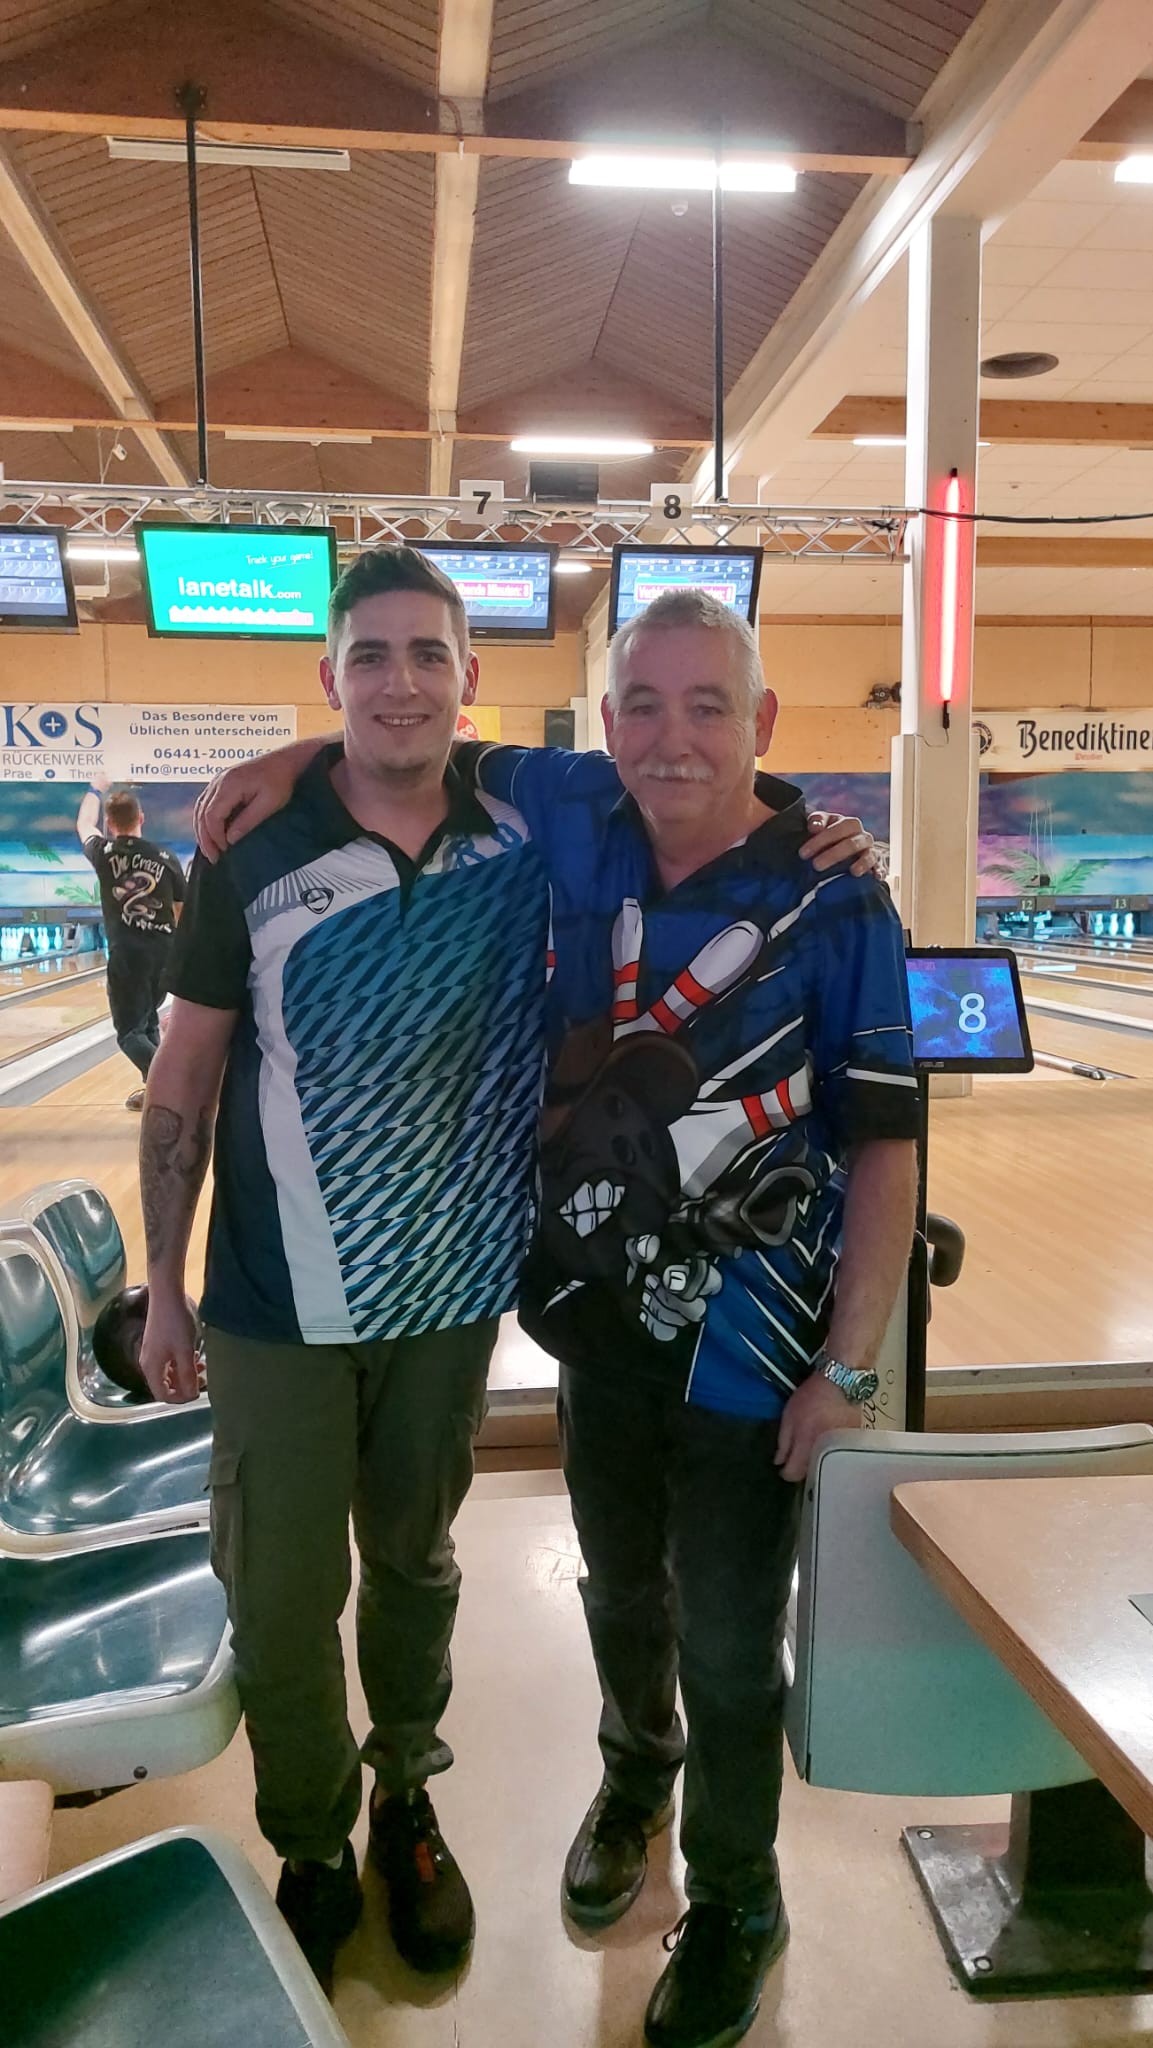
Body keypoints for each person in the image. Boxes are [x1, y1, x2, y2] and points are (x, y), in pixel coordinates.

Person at [179, 548, 879, 2010]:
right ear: (604, 720)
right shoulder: (566, 809)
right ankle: (595, 1792)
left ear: (762, 718)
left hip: (734, 1342)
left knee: (719, 1639)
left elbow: (889, 1143)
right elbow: (395, 736)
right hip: (575, 1322)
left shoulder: (809, 888)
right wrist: (289, 753)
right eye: (644, 705)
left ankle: (719, 1890)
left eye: (709, 704)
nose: (671, 734)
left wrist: (851, 1361)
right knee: (601, 1593)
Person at [76, 779, 185, 1110]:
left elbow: (84, 824)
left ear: (110, 824)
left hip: (128, 955)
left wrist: (95, 788)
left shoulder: (103, 852)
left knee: (129, 1034)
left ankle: (174, 1091)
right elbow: (181, 912)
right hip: (164, 952)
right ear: (142, 818)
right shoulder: (165, 857)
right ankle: (156, 1092)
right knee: (147, 1023)